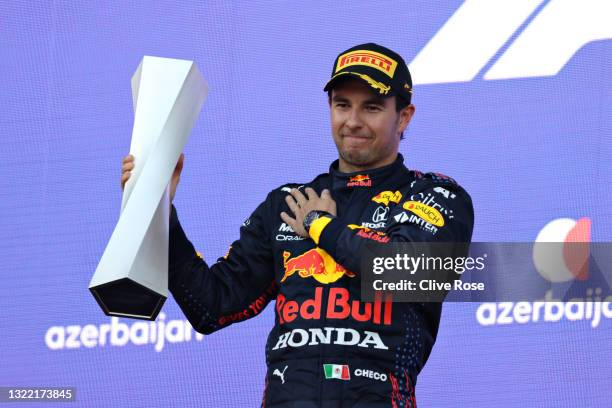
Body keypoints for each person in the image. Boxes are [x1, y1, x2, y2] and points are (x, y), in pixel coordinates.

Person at [120, 43, 474, 407]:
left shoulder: (434, 195)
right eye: (342, 105)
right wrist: (160, 208)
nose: (353, 120)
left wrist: (320, 226)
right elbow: (211, 306)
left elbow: (405, 273)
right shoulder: (286, 204)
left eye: (371, 107)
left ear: (403, 117)